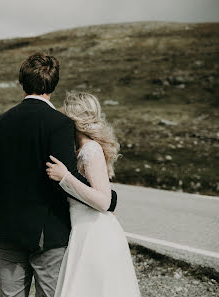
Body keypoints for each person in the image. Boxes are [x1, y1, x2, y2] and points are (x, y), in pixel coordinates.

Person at [0, 52, 117, 297]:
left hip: (8, 230)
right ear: (53, 85)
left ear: (22, 83)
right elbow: (64, 177)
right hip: (49, 235)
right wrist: (109, 198)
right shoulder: (59, 124)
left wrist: (0, 216)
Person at [46, 91, 141, 297]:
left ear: (71, 118)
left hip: (95, 234)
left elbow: (104, 201)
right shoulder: (80, 150)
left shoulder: (91, 150)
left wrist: (65, 177)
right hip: (82, 229)